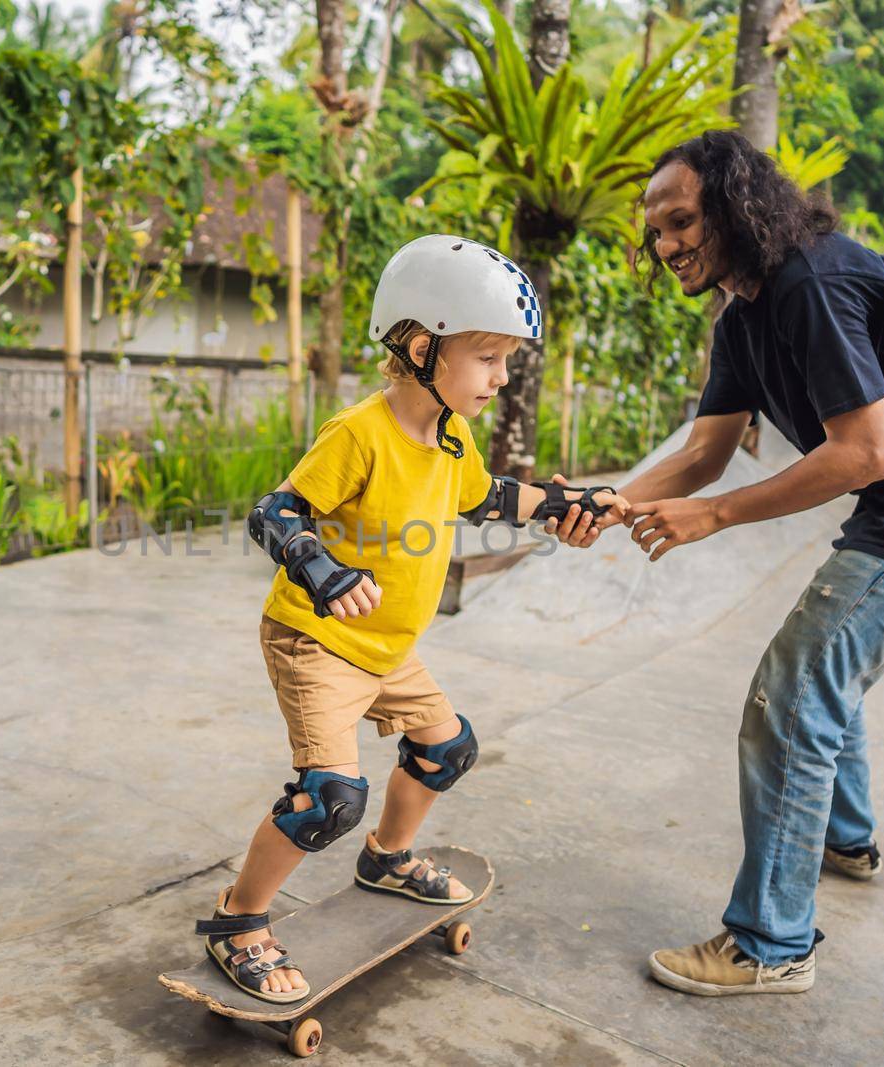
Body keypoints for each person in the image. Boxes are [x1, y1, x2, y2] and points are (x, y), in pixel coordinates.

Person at [556, 130, 884, 996]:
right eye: (657, 232)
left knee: (791, 692)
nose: (667, 244)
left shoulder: (812, 283)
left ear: (736, 207)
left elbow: (864, 451)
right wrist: (609, 502)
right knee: (823, 666)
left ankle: (772, 943)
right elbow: (705, 453)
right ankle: (844, 838)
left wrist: (711, 516)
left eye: (682, 221)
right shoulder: (744, 316)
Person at [195, 234, 627, 1002]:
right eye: (489, 357)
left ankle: (387, 857)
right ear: (424, 346)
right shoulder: (359, 432)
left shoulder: (452, 435)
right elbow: (275, 511)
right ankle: (239, 920)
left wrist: (569, 504)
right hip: (318, 639)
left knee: (447, 748)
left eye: (507, 362)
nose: (501, 377)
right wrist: (322, 569)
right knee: (327, 796)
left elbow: (490, 496)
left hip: (386, 646)